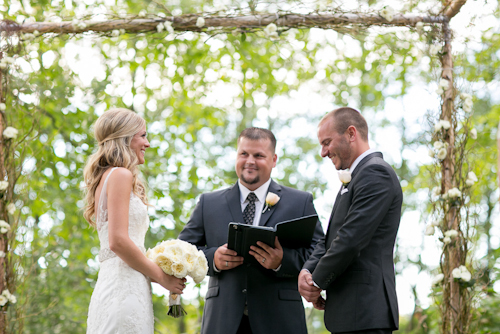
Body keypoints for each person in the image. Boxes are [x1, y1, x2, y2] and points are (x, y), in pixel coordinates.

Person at [179, 127, 324, 334]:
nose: (250, 161)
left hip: (280, 320)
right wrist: (213, 259)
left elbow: (319, 251)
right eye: (244, 154)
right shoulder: (208, 203)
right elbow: (183, 250)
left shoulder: (299, 202)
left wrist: (282, 261)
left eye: (259, 155)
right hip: (223, 321)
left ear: (273, 160)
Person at [298, 107, 402, 334]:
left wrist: (317, 282)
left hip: (365, 311)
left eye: (327, 142)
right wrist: (307, 271)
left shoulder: (375, 173)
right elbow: (331, 238)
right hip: (351, 313)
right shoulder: (357, 176)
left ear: (351, 133)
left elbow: (350, 239)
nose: (323, 152)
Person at [83, 108, 186, 333]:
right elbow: (118, 241)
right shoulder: (120, 175)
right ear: (126, 138)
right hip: (123, 288)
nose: (147, 143)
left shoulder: (106, 177)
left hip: (118, 284)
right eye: (143, 135)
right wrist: (162, 277)